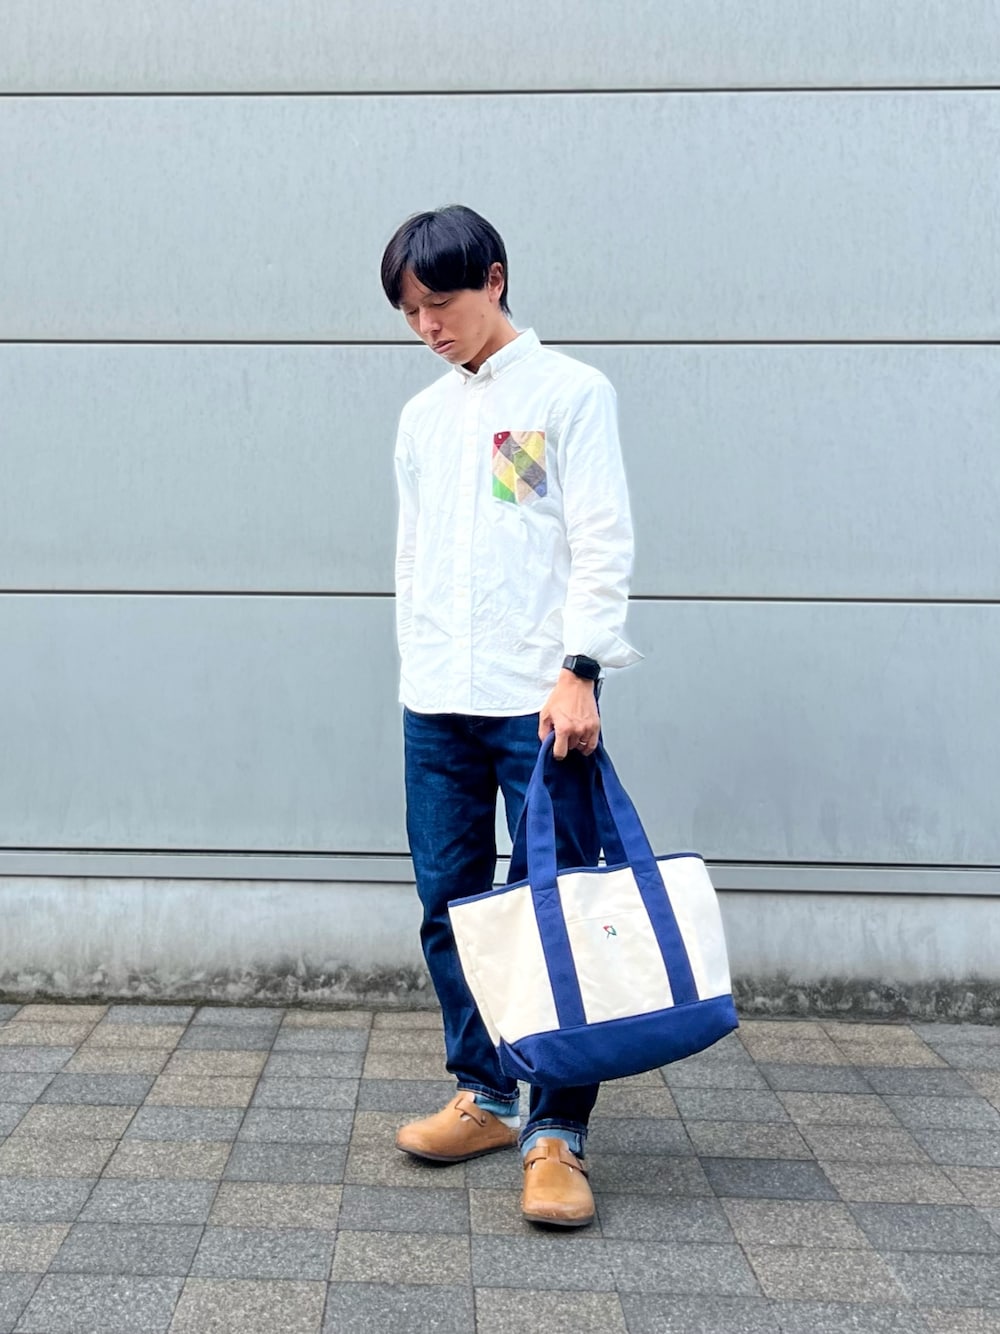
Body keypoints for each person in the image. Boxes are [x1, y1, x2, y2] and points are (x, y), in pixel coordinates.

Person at [380, 205, 640, 1227]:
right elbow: (412, 555)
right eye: (409, 311)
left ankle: (556, 1132)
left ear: (493, 278)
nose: (427, 326)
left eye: (439, 302)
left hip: (539, 704)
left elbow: (601, 539)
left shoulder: (571, 392)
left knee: (554, 913)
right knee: (449, 907)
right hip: (436, 702)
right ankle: (484, 1096)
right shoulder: (421, 416)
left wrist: (581, 669)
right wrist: (415, 665)